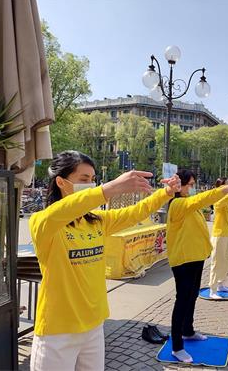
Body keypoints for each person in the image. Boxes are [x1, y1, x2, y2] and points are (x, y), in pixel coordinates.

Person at [29, 151, 181, 371]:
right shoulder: (44, 223)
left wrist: (165, 193)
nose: (90, 185)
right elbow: (64, 210)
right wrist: (111, 188)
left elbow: (135, 212)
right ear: (61, 182)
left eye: (92, 180)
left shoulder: (97, 221)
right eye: (83, 180)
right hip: (57, 331)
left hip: (93, 325)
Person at [166, 169, 228, 363]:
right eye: (190, 185)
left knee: (192, 296)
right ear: (180, 185)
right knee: (182, 300)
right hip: (183, 260)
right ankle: (177, 346)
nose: (192, 188)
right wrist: (225, 189)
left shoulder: (189, 205)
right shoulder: (177, 204)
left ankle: (188, 331)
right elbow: (201, 199)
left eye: (193, 185)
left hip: (195, 258)